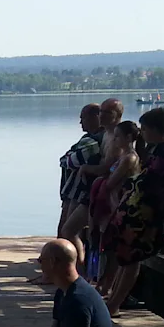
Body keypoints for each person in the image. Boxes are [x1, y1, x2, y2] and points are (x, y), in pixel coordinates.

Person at [102, 107, 164, 315]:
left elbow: (154, 185)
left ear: (155, 129)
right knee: (124, 257)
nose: (142, 133)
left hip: (146, 216)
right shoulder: (153, 151)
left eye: (145, 129)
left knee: (131, 260)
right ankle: (113, 298)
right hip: (133, 213)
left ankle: (114, 304)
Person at [57, 103, 106, 256]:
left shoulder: (93, 141)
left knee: (68, 231)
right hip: (76, 191)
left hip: (81, 191)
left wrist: (69, 158)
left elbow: (69, 161)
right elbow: (67, 159)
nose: (80, 122)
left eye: (83, 118)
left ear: (95, 117)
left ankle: (75, 270)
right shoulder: (89, 138)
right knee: (68, 231)